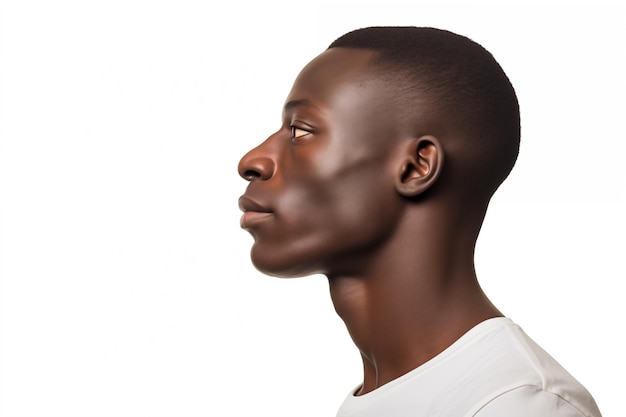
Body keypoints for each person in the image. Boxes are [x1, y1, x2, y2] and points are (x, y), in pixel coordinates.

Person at [237, 26, 601, 417]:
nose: (253, 160)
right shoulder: (387, 396)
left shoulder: (516, 405)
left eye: (300, 130)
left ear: (415, 167)